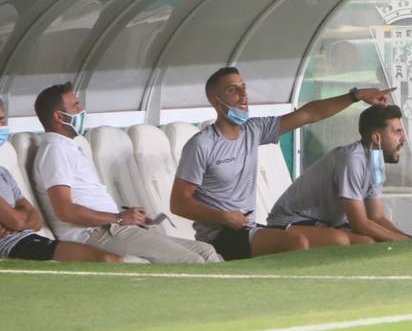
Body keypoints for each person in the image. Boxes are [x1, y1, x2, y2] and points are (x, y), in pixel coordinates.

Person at [169, 67, 390, 261]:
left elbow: (308, 114)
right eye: (232, 90)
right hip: (219, 235)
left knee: (361, 241)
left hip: (249, 228)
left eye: (243, 87)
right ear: (216, 101)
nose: (243, 95)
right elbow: (179, 203)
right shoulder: (202, 144)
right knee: (295, 243)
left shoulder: (252, 131)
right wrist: (224, 217)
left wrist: (356, 96)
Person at [31, 82, 221, 264]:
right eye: (75, 106)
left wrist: (125, 215)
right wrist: (120, 218)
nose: (82, 111)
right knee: (191, 261)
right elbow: (66, 211)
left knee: (206, 251)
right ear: (59, 116)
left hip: (112, 227)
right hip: (95, 234)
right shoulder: (55, 151)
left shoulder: (67, 148)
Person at [265, 104, 412, 244]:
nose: (403, 138)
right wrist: (404, 242)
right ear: (377, 137)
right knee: (350, 241)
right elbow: (360, 224)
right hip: (287, 222)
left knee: (371, 240)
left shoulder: (376, 161)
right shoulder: (352, 159)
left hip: (323, 223)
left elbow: (376, 217)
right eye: (397, 131)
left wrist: (407, 237)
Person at [0, 100, 121, 264]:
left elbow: (36, 221)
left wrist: (19, 219)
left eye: (2, 121)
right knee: (105, 260)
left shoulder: (3, 173)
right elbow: (19, 221)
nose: (2, 126)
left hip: (27, 238)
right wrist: (19, 219)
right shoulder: (53, 151)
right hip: (12, 246)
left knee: (109, 259)